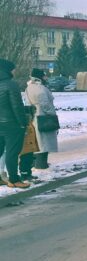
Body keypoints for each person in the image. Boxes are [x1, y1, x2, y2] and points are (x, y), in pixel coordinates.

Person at [0, 59, 30, 189]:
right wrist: (23, 123)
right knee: (12, 152)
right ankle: (14, 179)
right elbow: (17, 107)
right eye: (12, 69)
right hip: (12, 124)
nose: (14, 71)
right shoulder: (10, 84)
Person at [25, 68, 59, 170]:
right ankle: (41, 164)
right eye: (44, 76)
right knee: (44, 143)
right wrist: (52, 115)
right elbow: (45, 104)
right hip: (44, 117)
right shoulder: (40, 88)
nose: (46, 77)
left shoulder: (29, 87)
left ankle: (37, 163)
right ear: (39, 77)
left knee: (38, 141)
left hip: (34, 116)